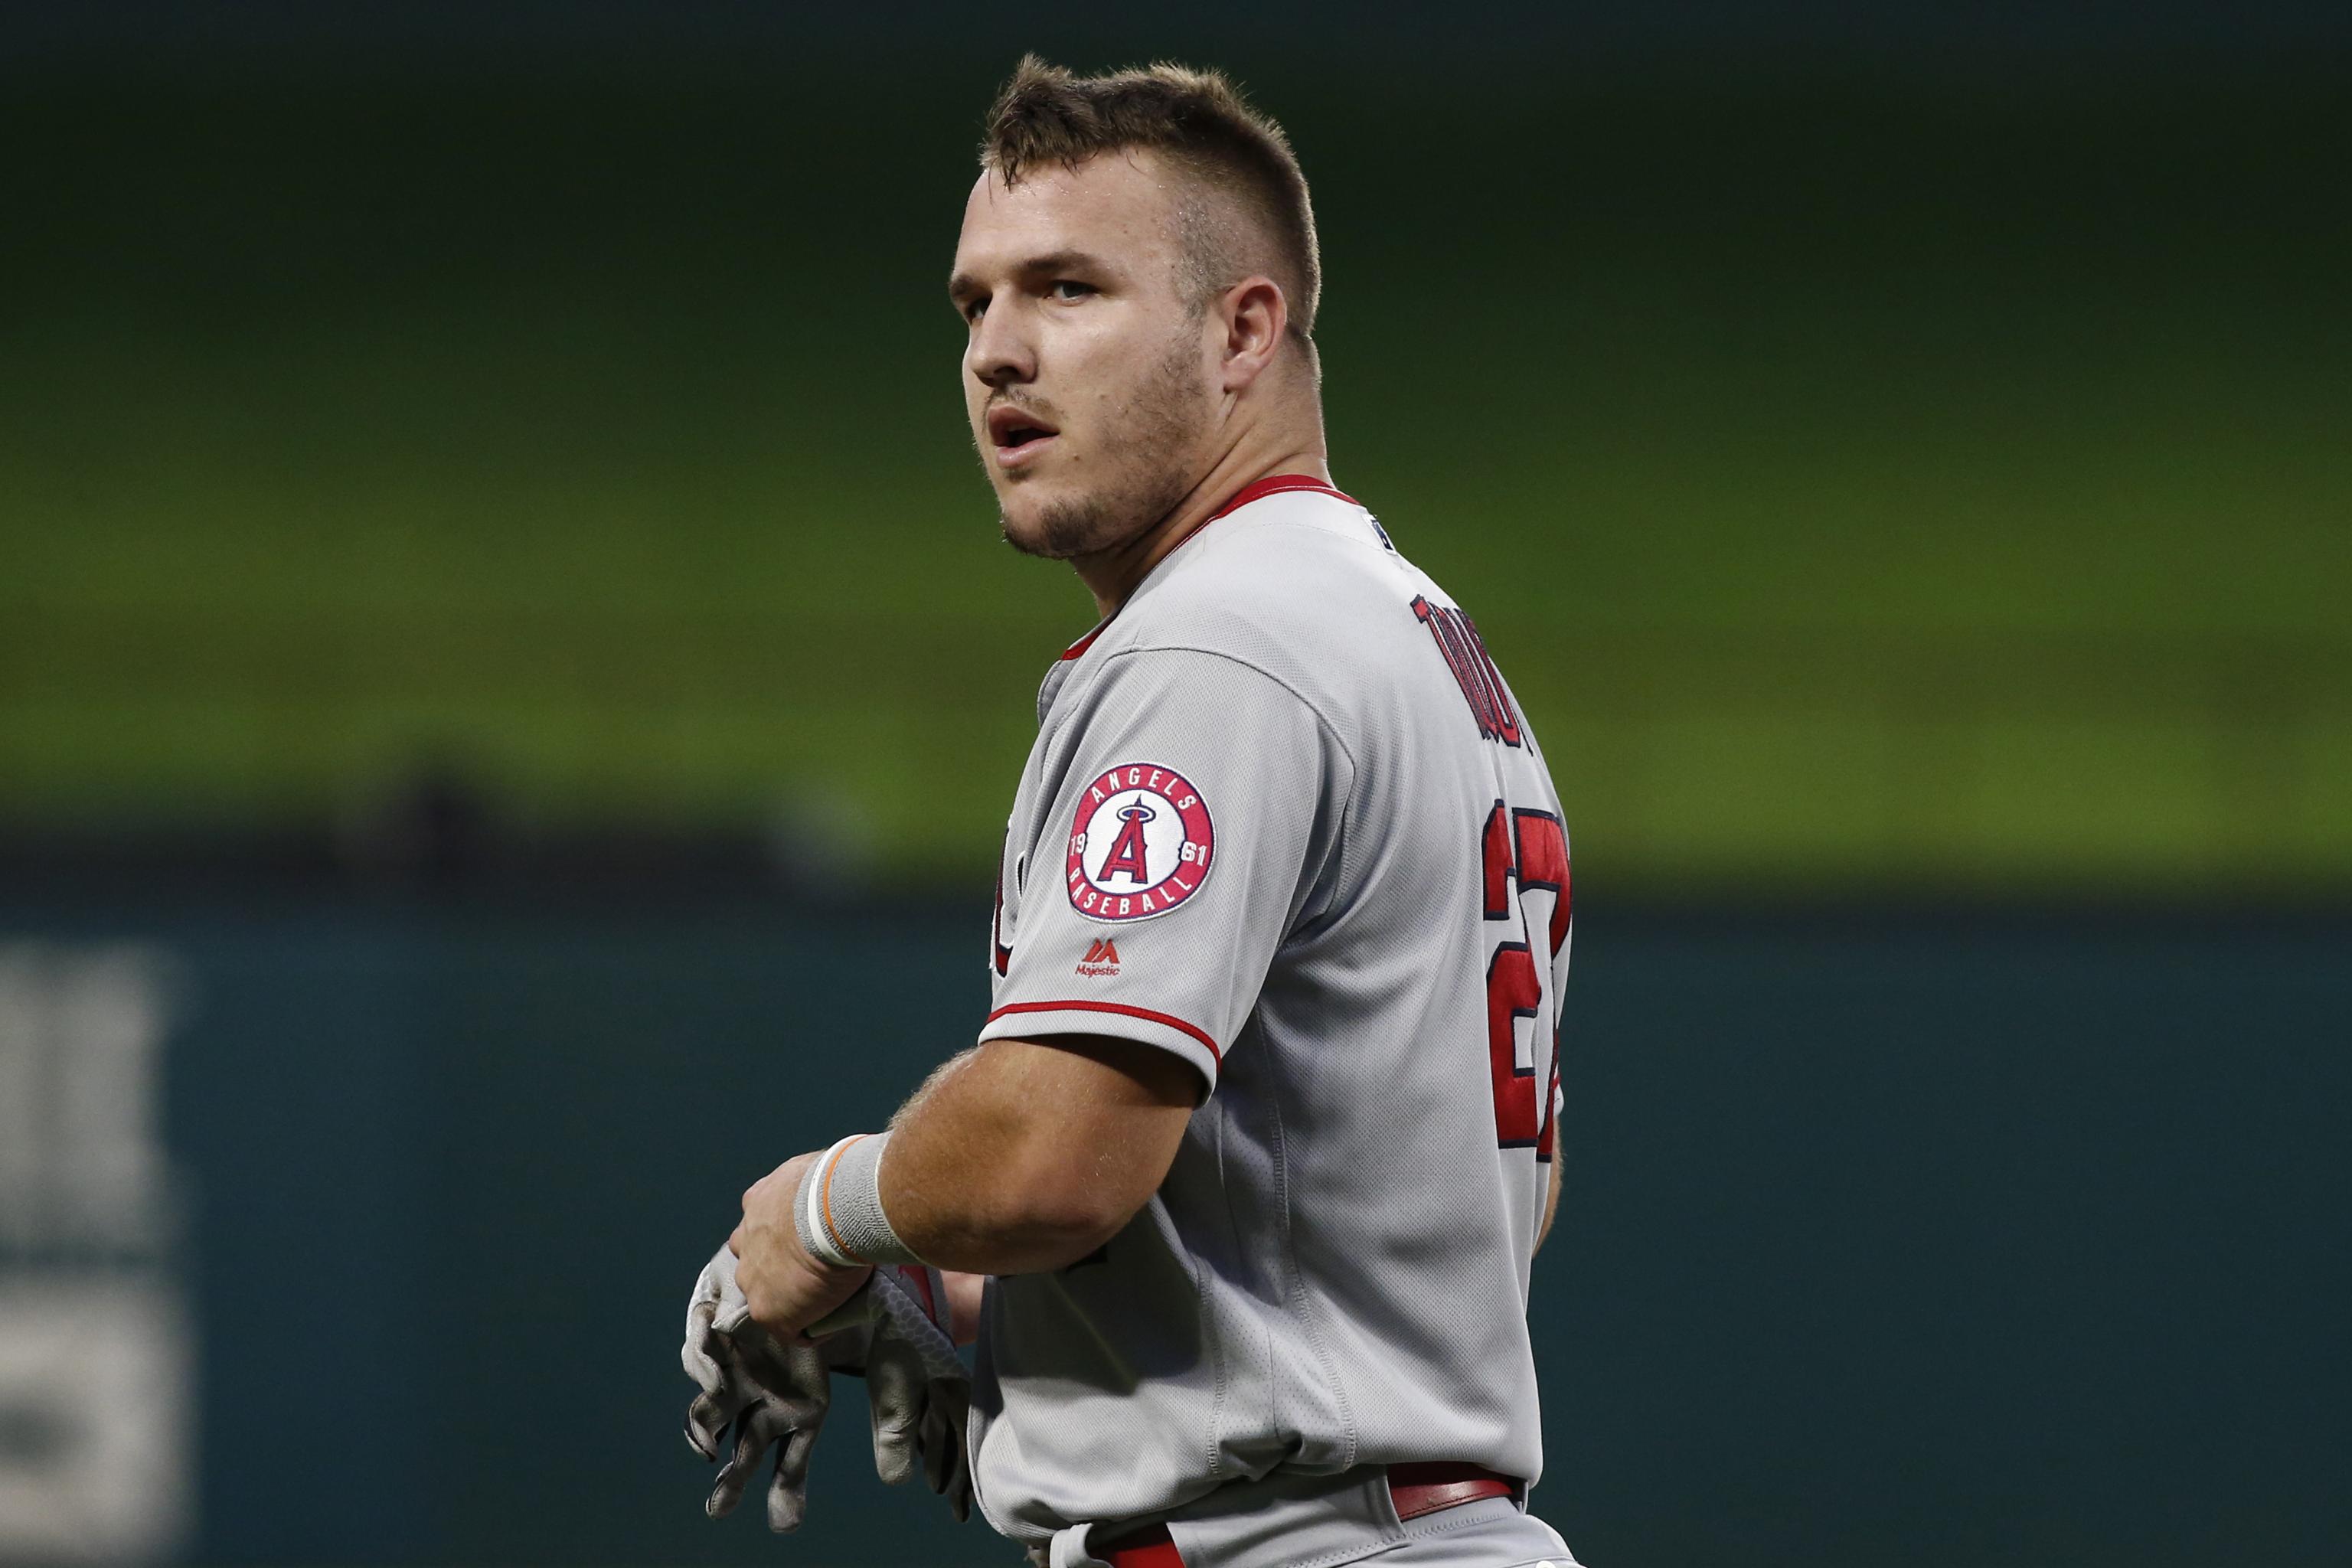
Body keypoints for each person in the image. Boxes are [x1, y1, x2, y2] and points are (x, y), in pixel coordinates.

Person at [724, 56, 1579, 1568]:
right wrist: (995, 1310)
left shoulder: (1220, 642)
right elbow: (1417, 1208)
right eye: (973, 303)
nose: (998, 351)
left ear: (1243, 329)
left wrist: (828, 1210)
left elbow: (1057, 1157)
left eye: (1065, 289)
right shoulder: (1420, 638)